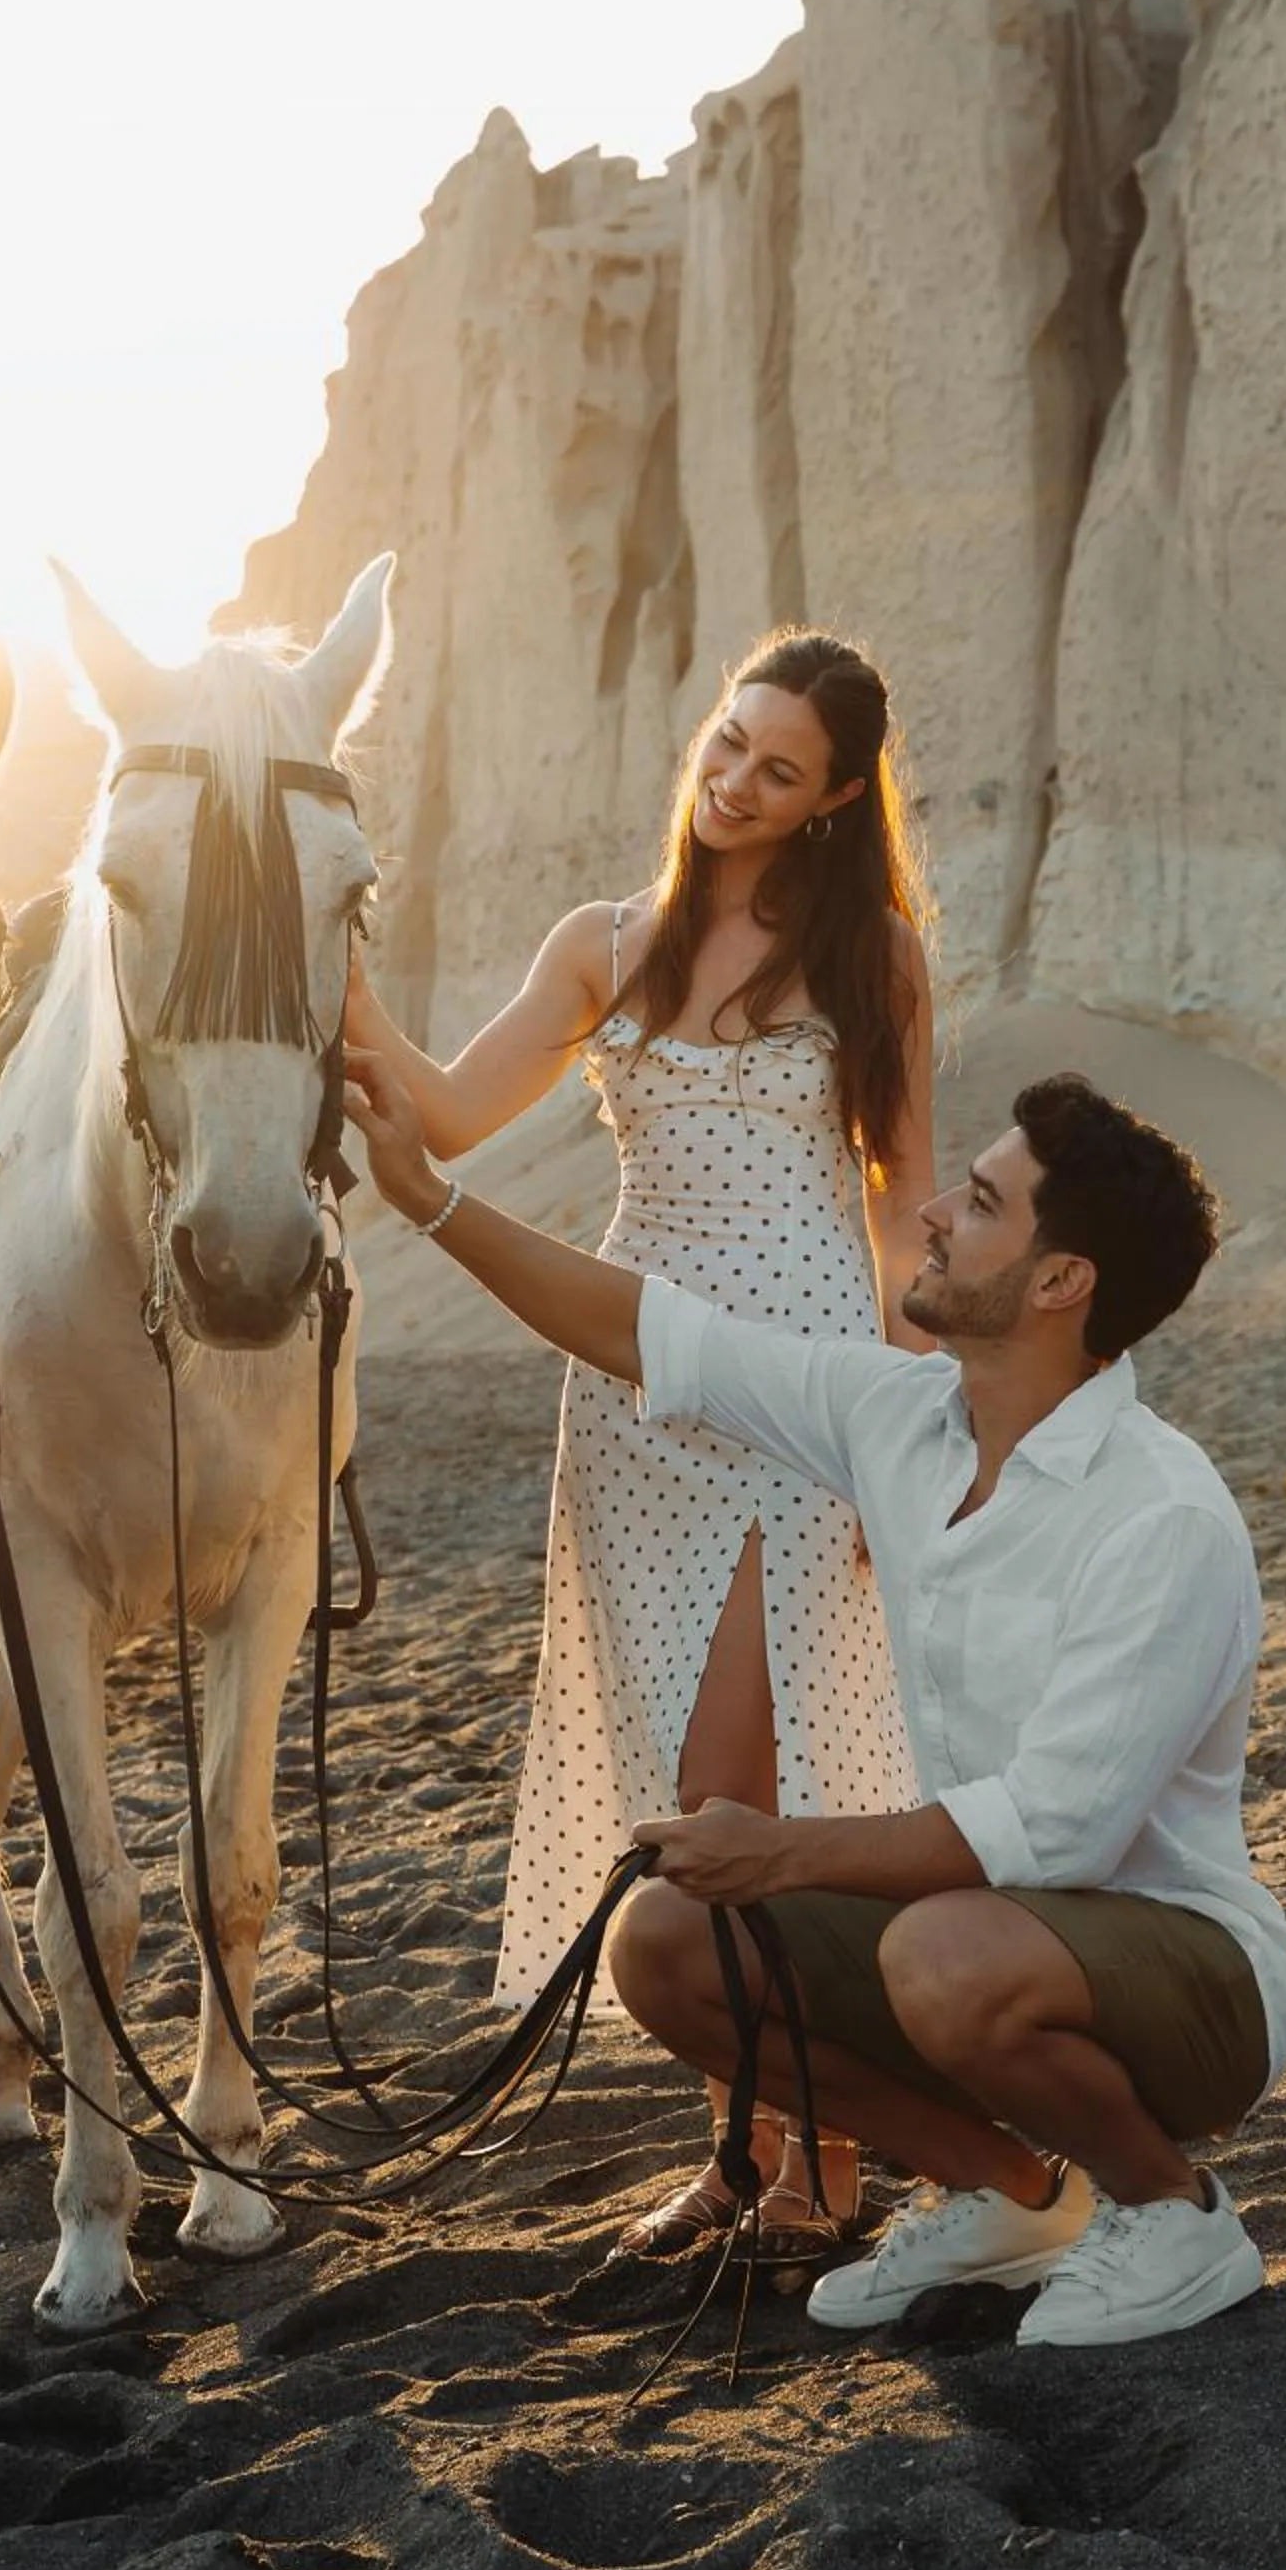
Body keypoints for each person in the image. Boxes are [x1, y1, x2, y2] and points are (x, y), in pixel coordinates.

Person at [340, 1055, 1286, 2346]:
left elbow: (1053, 1836)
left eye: (978, 1203)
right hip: (986, 1944)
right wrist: (427, 1200)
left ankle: (1176, 2214)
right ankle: (1017, 2196)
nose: (930, 1214)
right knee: (671, 1947)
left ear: (1061, 1284)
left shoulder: (1163, 1517)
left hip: (1193, 1981)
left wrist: (778, 1848)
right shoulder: (900, 1417)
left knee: (934, 1952)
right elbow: (649, 1330)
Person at [342, 630, 937, 2255]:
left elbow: (902, 1217)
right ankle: (748, 2154)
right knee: (688, 1793)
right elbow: (450, 1109)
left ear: (831, 803)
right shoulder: (609, 943)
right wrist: (337, 969)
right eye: (731, 743)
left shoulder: (875, 956)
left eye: (780, 770)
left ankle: (821, 2174)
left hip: (805, 1397)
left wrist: (909, 1428)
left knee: (764, 1781)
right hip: (630, 1399)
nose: (736, 782)